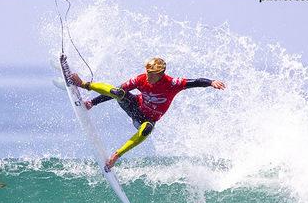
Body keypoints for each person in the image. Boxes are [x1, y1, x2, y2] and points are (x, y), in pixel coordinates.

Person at [69, 57, 226, 171]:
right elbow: (115, 91)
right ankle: (83, 84)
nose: (148, 76)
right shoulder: (141, 79)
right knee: (119, 91)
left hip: (146, 120)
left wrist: (211, 82)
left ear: (161, 73)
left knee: (147, 129)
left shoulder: (172, 83)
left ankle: (116, 156)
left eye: (152, 74)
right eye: (148, 72)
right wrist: (93, 103)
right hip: (134, 105)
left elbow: (196, 81)